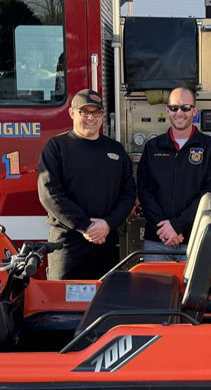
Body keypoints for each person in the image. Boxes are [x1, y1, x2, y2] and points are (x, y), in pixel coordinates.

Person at [38, 89, 136, 280]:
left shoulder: (115, 149)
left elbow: (128, 192)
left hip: (106, 241)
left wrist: (108, 224)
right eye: (85, 112)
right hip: (68, 242)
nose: (91, 118)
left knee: (104, 302)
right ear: (72, 113)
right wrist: (85, 226)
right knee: (62, 302)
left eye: (96, 112)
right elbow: (49, 193)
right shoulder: (57, 147)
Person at [136, 87, 211, 261]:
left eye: (185, 108)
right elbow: (145, 191)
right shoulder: (153, 147)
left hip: (195, 239)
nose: (179, 113)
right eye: (175, 108)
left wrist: (177, 226)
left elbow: (210, 194)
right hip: (157, 240)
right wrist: (164, 229)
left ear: (194, 111)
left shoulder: (210, 148)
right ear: (167, 110)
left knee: (194, 289)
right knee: (154, 288)